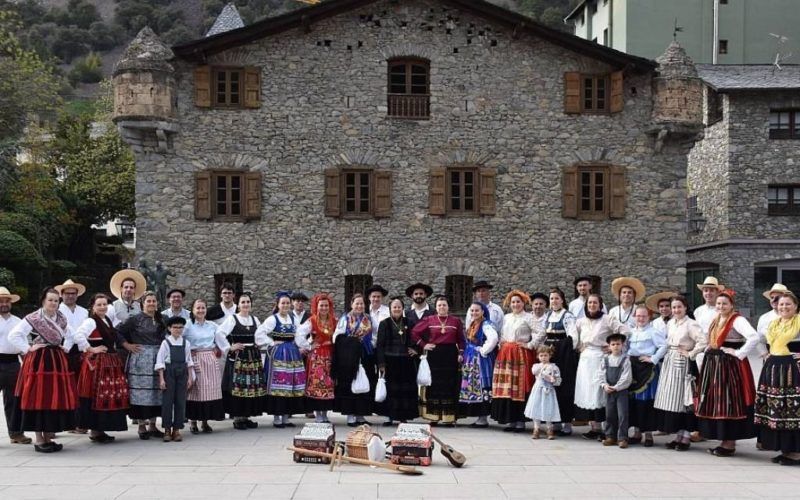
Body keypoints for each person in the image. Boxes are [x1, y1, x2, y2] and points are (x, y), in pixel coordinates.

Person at [8, 288, 79, 453]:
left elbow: (71, 335)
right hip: (38, 361)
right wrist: (28, 348)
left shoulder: (61, 318)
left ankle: (48, 436)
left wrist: (66, 347)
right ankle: (39, 439)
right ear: (43, 301)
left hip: (56, 359)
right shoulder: (33, 318)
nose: (53, 303)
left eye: (56, 300)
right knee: (38, 396)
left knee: (52, 397)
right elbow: (14, 335)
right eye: (50, 300)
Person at [695, 289, 760, 457]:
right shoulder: (717, 319)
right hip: (715, 365)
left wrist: (739, 353)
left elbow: (753, 337)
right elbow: (713, 341)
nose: (721, 306)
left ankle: (730, 443)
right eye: (718, 303)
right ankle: (724, 440)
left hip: (729, 366)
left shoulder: (737, 320)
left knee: (730, 401)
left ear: (731, 305)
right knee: (718, 401)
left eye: (724, 303)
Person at [652, 295, 707, 451]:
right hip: (670, 360)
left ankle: (686, 436)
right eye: (674, 307)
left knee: (684, 400)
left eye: (679, 307)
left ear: (685, 308)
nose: (676, 310)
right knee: (673, 400)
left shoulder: (691, 324)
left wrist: (691, 353)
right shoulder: (670, 323)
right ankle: (679, 435)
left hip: (682, 363)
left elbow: (703, 341)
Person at [73, 293, 130, 443]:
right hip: (97, 365)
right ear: (92, 306)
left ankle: (99, 429)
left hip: (109, 363)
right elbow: (78, 335)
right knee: (96, 395)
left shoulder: (107, 320)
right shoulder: (91, 321)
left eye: (104, 304)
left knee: (105, 395)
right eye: (99, 304)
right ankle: (95, 430)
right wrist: (92, 349)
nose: (102, 307)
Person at [574, 294, 629, 440]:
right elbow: (575, 337)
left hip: (600, 357)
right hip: (585, 359)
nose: (592, 305)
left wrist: (613, 347)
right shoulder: (581, 321)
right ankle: (594, 427)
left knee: (600, 391)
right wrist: (580, 346)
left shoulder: (607, 319)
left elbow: (625, 331)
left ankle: (607, 429)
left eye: (595, 302)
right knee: (588, 391)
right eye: (589, 303)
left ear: (600, 304)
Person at [754, 293, 800, 465]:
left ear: (795, 306)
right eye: (781, 304)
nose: (784, 307)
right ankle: (785, 449)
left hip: (793, 369)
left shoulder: (799, 321)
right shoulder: (773, 323)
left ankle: (796, 451)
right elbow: (765, 342)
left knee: (793, 408)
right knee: (777, 409)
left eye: (788, 304)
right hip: (774, 366)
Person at [491, 290, 545, 432]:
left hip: (521, 354)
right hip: (506, 353)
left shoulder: (528, 317)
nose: (515, 304)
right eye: (513, 302)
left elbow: (541, 332)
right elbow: (502, 334)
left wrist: (530, 345)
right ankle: (511, 420)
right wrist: (501, 344)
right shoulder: (507, 317)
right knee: (507, 386)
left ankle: (520, 421)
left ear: (523, 303)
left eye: (518, 302)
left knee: (520, 386)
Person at [117, 291, 167, 440]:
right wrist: (127, 345)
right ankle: (141, 426)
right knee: (140, 393)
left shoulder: (163, 319)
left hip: (158, 357)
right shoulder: (135, 319)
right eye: (148, 301)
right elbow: (118, 331)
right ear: (142, 304)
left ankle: (153, 425)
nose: (152, 304)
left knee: (156, 392)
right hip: (141, 357)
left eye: (154, 301)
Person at [412, 295, 465, 427]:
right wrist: (424, 345)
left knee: (449, 384)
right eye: (439, 305)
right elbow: (414, 332)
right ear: (435, 307)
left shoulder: (455, 321)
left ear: (448, 307)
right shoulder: (429, 319)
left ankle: (448, 417)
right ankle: (433, 416)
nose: (442, 307)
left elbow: (461, 339)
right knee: (434, 385)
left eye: (444, 305)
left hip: (450, 355)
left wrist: (461, 353)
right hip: (435, 354)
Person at [256, 292, 306, 428]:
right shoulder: (272, 319)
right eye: (283, 303)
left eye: (287, 303)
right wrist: (272, 343)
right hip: (279, 354)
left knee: (290, 385)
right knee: (278, 384)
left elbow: (300, 334)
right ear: (277, 305)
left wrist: (306, 346)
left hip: (292, 354)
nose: (285, 305)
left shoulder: (293, 319)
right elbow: (259, 334)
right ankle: (277, 418)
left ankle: (285, 417)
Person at [217, 292, 265, 430]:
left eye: (248, 302)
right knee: (239, 387)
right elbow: (219, 333)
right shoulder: (233, 319)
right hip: (239, 358)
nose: (246, 305)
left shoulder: (255, 320)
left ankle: (246, 416)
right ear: (239, 305)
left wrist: (260, 343)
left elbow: (260, 336)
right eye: (243, 302)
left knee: (250, 387)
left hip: (253, 357)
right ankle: (238, 417)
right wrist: (229, 347)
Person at [183, 298, 229, 434]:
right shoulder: (187, 325)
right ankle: (193, 421)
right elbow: (180, 339)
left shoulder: (212, 325)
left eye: (203, 308)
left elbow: (221, 339)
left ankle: (205, 421)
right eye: (198, 308)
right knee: (196, 391)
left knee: (209, 391)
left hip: (210, 359)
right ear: (193, 310)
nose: (201, 310)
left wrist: (227, 348)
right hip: (195, 358)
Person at [376, 297, 419, 425]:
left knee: (405, 390)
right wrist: (381, 363)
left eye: (399, 307)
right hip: (390, 361)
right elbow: (380, 345)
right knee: (391, 389)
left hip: (406, 361)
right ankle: (390, 416)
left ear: (402, 308)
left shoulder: (409, 322)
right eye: (394, 307)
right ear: (390, 309)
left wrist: (415, 349)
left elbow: (415, 338)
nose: (397, 309)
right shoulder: (384, 323)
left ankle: (403, 416)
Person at [333, 294, 375, 426]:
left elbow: (375, 336)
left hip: (365, 354)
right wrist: (351, 343)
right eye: (357, 303)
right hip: (349, 356)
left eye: (362, 304)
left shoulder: (368, 319)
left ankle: (361, 415)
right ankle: (350, 416)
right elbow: (337, 336)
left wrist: (370, 344)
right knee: (350, 384)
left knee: (364, 383)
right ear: (351, 304)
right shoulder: (345, 319)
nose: (359, 306)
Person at [626, 305, 665, 447]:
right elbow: (627, 349)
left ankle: (648, 434)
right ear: (634, 317)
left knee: (646, 401)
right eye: (638, 316)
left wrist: (653, 358)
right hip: (633, 367)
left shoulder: (653, 331)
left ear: (649, 317)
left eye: (643, 316)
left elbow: (664, 346)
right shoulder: (630, 332)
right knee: (634, 401)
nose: (640, 318)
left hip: (647, 368)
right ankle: (636, 432)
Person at [55, 279, 90, 433]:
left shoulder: (84, 311)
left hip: (81, 350)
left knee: (80, 386)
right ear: (61, 295)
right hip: (63, 349)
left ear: (77, 295)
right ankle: (56, 424)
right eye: (67, 293)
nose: (70, 296)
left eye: (73, 293)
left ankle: (79, 422)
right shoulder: (56, 310)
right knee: (61, 386)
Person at [543, 288, 579, 436]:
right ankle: (555, 422)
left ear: (562, 300)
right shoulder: (548, 315)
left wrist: (567, 351)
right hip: (551, 355)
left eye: (557, 298)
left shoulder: (567, 316)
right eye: (552, 299)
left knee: (564, 387)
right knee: (551, 388)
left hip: (564, 356)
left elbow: (574, 337)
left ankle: (567, 423)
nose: (554, 301)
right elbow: (543, 334)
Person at [296, 293, 336, 423]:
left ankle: (325, 413)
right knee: (317, 384)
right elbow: (299, 335)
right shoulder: (312, 321)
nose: (324, 308)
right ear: (316, 307)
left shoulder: (334, 321)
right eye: (321, 305)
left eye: (326, 305)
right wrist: (309, 345)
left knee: (328, 384)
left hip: (330, 355)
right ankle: (318, 414)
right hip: (317, 356)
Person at [458, 302, 498, 427]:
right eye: (472, 310)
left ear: (483, 312)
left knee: (481, 386)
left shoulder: (486, 324)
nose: (474, 313)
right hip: (471, 359)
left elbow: (493, 339)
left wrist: (483, 350)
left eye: (477, 311)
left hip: (480, 360)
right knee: (474, 386)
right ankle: (480, 417)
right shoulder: (473, 324)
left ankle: (483, 417)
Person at [0, 287, 31, 444]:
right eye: (1, 301)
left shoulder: (18, 322)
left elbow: (23, 344)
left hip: (13, 363)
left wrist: (27, 361)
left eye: (7, 301)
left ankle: (16, 433)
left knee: (14, 399)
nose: (4, 304)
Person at [156, 316, 194, 442]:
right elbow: (160, 361)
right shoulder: (165, 343)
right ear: (169, 328)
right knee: (167, 402)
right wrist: (162, 379)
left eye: (180, 327)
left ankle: (177, 429)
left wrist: (190, 377)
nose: (178, 330)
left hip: (182, 373)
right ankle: (167, 429)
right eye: (175, 327)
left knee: (180, 401)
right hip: (169, 372)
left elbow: (189, 361)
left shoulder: (186, 343)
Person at [596, 332, 632, 448]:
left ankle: (622, 438)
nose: (616, 346)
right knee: (609, 414)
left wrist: (616, 387)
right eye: (613, 344)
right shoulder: (605, 360)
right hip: (608, 391)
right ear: (609, 346)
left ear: (622, 345)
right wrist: (605, 385)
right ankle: (610, 436)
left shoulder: (625, 360)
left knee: (622, 414)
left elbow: (626, 377)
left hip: (621, 391)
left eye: (618, 344)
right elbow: (601, 374)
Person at [525, 345, 561, 440]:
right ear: (538, 356)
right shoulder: (537, 366)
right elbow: (534, 372)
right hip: (538, 389)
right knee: (536, 407)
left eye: (545, 355)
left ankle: (549, 428)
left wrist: (554, 380)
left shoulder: (554, 367)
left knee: (548, 408)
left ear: (550, 355)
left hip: (548, 391)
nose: (543, 358)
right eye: (541, 356)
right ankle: (536, 428)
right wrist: (543, 370)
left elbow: (558, 380)